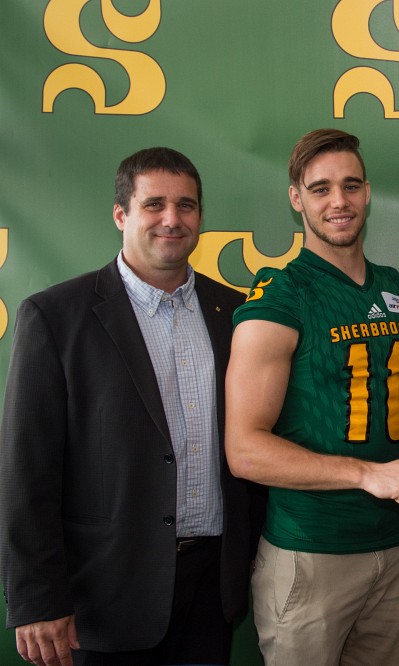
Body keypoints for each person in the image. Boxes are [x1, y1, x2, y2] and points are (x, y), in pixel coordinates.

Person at [0, 147, 263, 665]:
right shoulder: (55, 317)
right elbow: (26, 470)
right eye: (154, 204)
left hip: (212, 589)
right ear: (121, 214)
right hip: (103, 595)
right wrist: (36, 597)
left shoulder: (236, 312)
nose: (172, 219)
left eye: (186, 206)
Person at [224, 128, 399, 666]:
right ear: (297, 200)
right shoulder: (282, 294)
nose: (338, 201)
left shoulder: (396, 289)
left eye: (350, 185)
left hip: (393, 547)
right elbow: (245, 450)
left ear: (368, 193)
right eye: (320, 189)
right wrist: (366, 474)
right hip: (312, 553)